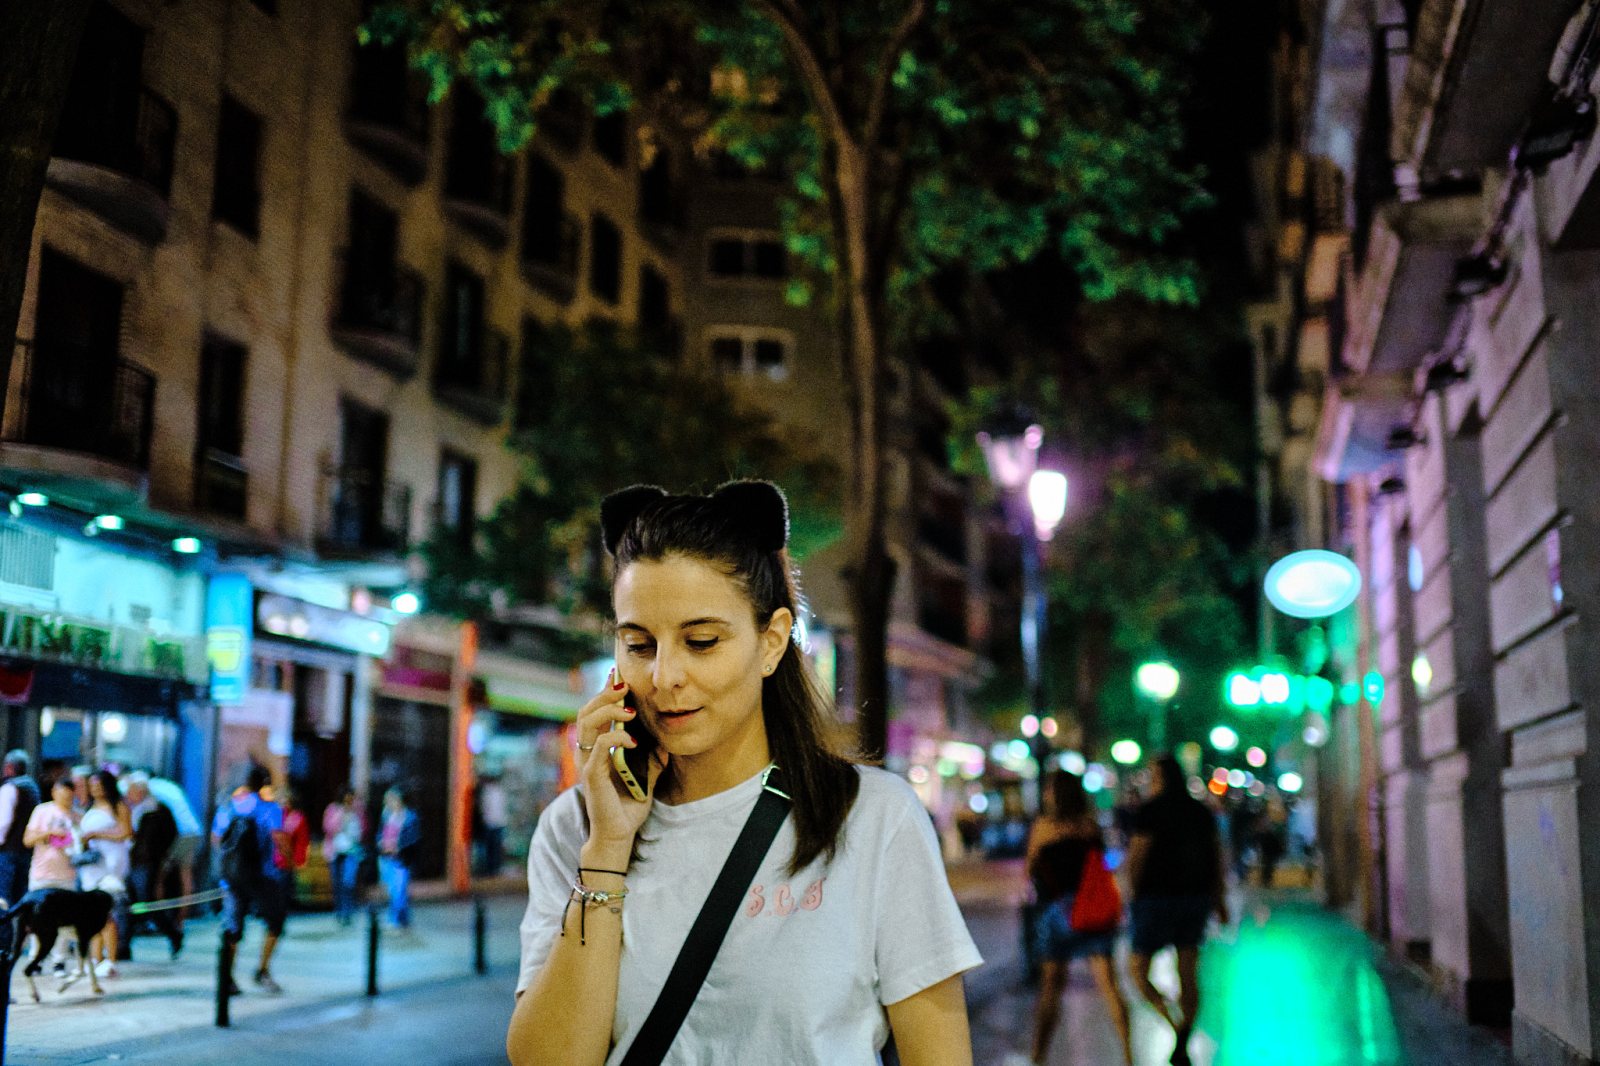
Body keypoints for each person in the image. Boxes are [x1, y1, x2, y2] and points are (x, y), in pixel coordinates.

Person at [508, 481, 981, 1066]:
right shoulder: (575, 828)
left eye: (701, 642)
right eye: (639, 644)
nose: (664, 676)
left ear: (772, 641)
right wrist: (607, 848)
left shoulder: (872, 816)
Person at [1013, 771, 1131, 1066]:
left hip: (1054, 914)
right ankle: (1129, 1055)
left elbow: (1030, 871)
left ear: (1054, 793)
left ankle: (1038, 1056)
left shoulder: (1043, 828)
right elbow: (1102, 864)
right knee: (1110, 986)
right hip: (1091, 913)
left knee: (1050, 989)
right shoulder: (1089, 826)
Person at [1123, 755, 1230, 1066]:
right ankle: (1183, 1034)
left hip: (1154, 899)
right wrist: (1219, 899)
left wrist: (1131, 893)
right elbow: (1216, 858)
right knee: (1189, 974)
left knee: (1138, 972)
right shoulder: (1200, 812)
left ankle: (1175, 1025)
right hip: (1194, 899)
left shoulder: (1150, 812)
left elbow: (1137, 857)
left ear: (1159, 778)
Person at [211, 764, 291, 995]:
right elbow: (279, 839)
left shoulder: (229, 807)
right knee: (275, 921)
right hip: (263, 875)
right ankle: (262, 970)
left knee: (233, 926)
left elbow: (216, 839)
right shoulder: (271, 809)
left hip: (232, 877)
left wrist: (229, 863)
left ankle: (228, 976)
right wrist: (288, 863)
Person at [78, 770, 133, 975]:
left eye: (99, 785)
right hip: (93, 863)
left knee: (106, 912)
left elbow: (126, 832)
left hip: (111, 862)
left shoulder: (118, 805)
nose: (95, 790)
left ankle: (110, 959)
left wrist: (97, 834)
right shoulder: (90, 806)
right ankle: (96, 957)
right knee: (92, 913)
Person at [124, 771, 183, 958]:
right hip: (133, 861)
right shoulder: (136, 809)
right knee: (132, 902)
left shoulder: (157, 810)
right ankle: (124, 944)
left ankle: (172, 932)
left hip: (147, 863)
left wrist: (162, 859)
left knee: (146, 903)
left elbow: (168, 836)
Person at [145, 774, 202, 925]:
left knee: (159, 877)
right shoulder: (169, 786)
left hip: (182, 835)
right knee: (186, 879)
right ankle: (179, 920)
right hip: (193, 832)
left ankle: (164, 921)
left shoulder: (150, 786)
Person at [23, 778, 80, 891]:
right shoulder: (42, 811)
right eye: (62, 794)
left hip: (68, 877)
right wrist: (49, 833)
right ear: (54, 792)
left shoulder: (78, 816)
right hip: (42, 875)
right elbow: (27, 841)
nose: (65, 799)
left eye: (69, 796)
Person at [0, 750, 41, 906]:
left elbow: (3, 822)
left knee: (3, 899)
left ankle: (5, 931)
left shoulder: (10, 788)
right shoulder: (32, 787)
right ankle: (21, 930)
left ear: (10, 766)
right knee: (21, 898)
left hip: (8, 851)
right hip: (27, 851)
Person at [322, 786, 365, 926]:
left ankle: (348, 912)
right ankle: (339, 911)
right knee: (337, 884)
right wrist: (342, 817)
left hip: (351, 852)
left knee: (348, 882)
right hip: (335, 851)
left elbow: (364, 829)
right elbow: (328, 828)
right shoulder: (333, 809)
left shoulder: (357, 811)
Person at [377, 787, 419, 930]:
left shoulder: (410, 817)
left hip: (402, 859)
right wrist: (381, 843)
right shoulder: (386, 815)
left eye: (391, 799)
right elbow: (380, 833)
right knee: (392, 890)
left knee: (399, 890)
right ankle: (403, 918)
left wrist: (398, 846)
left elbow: (414, 838)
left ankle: (395, 919)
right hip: (386, 857)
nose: (388, 802)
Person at [476, 774, 508, 876]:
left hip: (491, 824)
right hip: (496, 823)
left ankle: (491, 870)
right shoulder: (498, 792)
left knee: (491, 849)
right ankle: (493, 869)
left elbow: (484, 809)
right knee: (494, 848)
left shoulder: (487, 792)